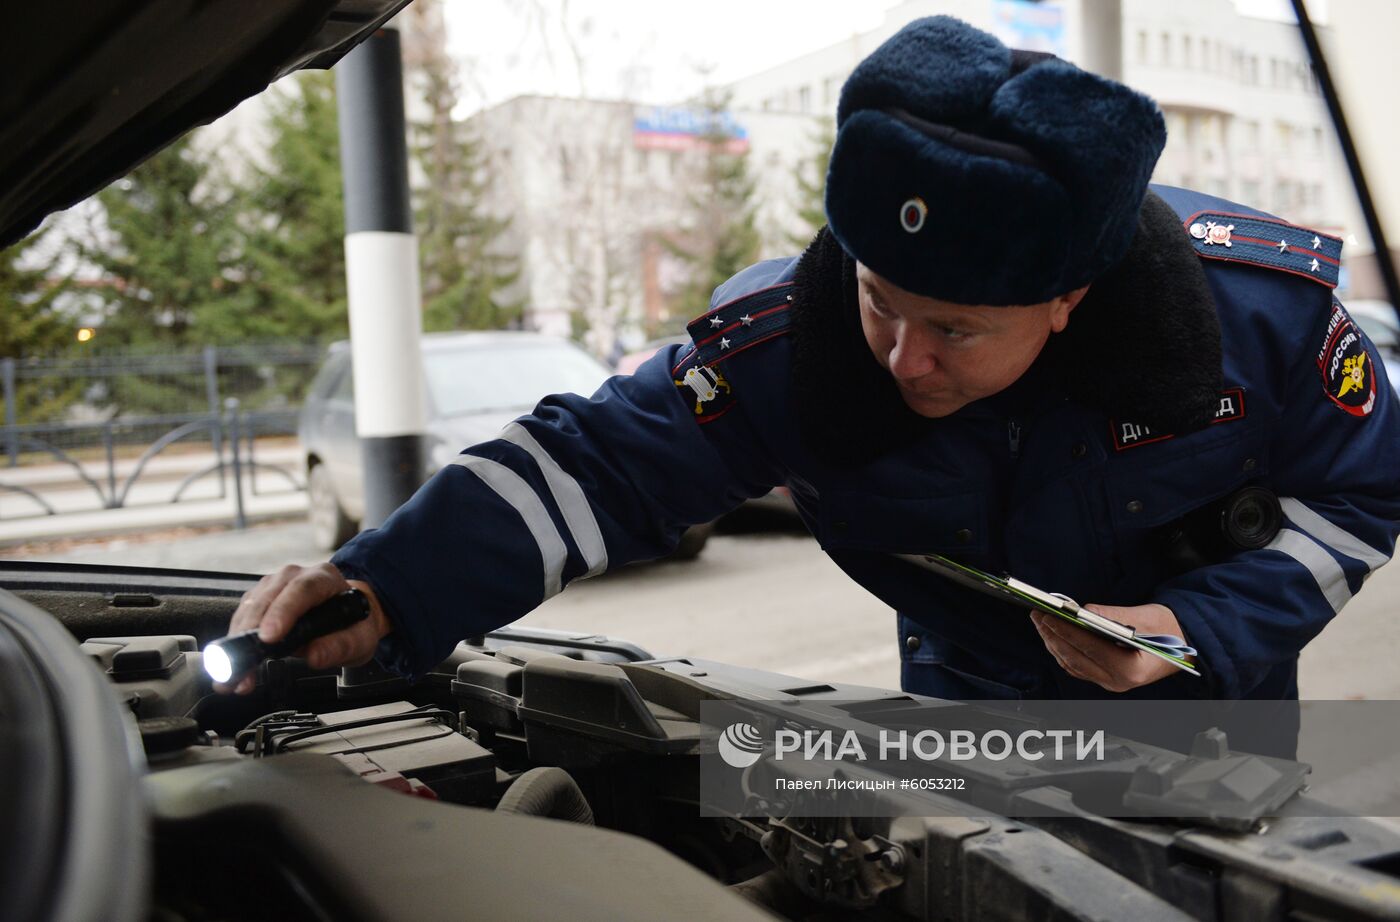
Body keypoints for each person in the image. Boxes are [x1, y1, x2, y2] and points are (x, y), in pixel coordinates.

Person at [220, 16, 1400, 702]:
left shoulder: (1260, 316)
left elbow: (1362, 493)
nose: (897, 358)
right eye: (882, 302)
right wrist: (389, 589)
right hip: (963, 708)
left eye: (954, 330)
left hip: (1208, 710)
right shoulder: (790, 336)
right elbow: (593, 468)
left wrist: (1193, 631)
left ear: (1066, 302)